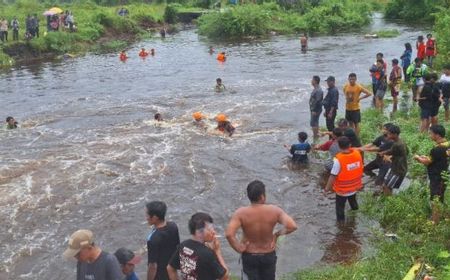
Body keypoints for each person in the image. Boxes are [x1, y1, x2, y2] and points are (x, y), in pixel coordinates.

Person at [225, 180, 297, 280]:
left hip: (249, 255)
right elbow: (292, 226)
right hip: (268, 254)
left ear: (249, 196)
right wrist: (276, 235)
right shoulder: (274, 210)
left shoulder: (240, 213)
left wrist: (238, 247)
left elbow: (229, 234)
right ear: (262, 196)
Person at [167, 212, 229, 280]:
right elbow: (224, 276)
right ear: (200, 232)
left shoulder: (183, 245)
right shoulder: (208, 254)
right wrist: (217, 251)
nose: (213, 232)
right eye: (210, 228)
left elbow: (170, 268)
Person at [414, 125, 449, 223]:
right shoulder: (447, 145)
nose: (429, 135)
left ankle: (435, 221)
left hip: (437, 177)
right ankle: (442, 216)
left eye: (431, 133)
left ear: (437, 135)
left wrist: (418, 158)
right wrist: (427, 157)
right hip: (444, 175)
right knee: (440, 196)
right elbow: (437, 158)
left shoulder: (437, 149)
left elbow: (427, 162)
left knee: (435, 198)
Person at [325, 136, 363, 222]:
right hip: (354, 187)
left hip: (342, 191)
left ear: (339, 146)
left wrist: (327, 188)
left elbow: (333, 176)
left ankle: (341, 225)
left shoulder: (338, 160)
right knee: (353, 203)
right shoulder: (357, 154)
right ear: (350, 145)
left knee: (340, 208)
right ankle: (355, 216)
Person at [146, 201, 180, 280]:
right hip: (172, 272)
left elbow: (152, 266)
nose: (146, 217)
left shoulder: (152, 239)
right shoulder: (173, 226)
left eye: (147, 215)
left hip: (160, 276)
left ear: (155, 217)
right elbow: (177, 248)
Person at [379, 124, 408, 195]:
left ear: (395, 134)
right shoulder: (401, 142)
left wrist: (384, 154)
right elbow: (404, 152)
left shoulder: (397, 145)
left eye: (389, 134)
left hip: (398, 170)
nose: (387, 135)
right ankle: (386, 199)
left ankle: (389, 203)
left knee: (387, 186)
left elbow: (391, 151)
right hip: (396, 168)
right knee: (386, 186)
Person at [309, 75, 323, 140]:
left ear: (315, 81)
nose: (311, 81)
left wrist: (314, 110)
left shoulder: (318, 90)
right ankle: (316, 135)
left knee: (314, 123)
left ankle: (315, 136)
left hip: (316, 110)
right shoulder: (316, 89)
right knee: (315, 122)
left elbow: (318, 101)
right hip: (314, 109)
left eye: (312, 80)